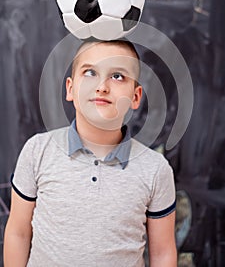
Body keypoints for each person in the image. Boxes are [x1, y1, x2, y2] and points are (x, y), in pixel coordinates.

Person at [4, 39, 177, 267]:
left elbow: (163, 253)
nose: (102, 86)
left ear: (135, 97)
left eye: (117, 76)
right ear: (70, 89)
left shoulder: (155, 169)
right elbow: (18, 232)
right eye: (89, 73)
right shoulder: (38, 151)